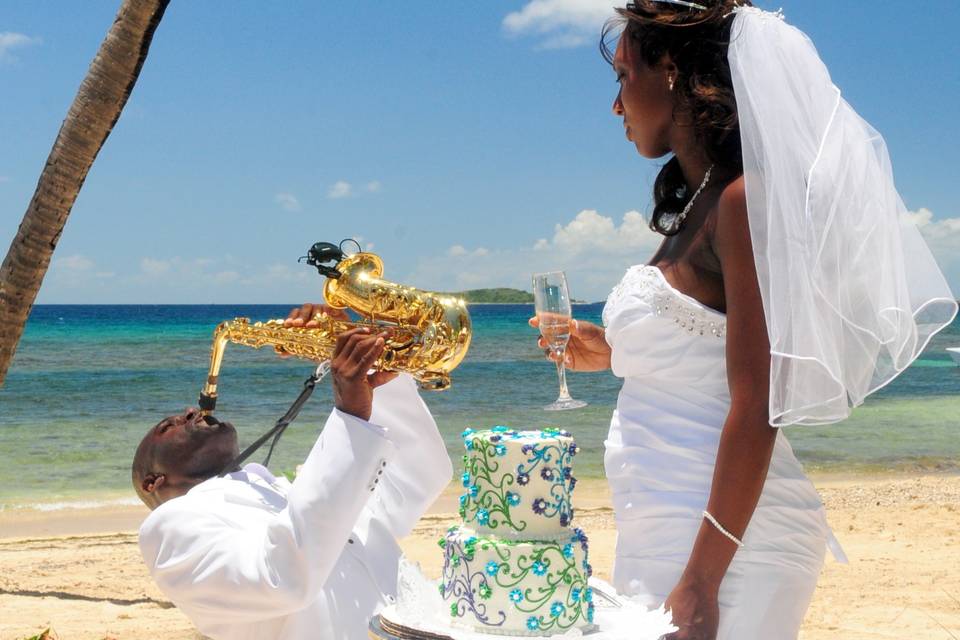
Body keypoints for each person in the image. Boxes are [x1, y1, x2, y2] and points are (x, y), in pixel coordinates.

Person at [531, 2, 957, 639]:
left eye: (622, 78)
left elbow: (758, 400)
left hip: (732, 543)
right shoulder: (698, 205)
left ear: (670, 70)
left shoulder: (743, 201)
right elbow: (705, 357)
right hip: (660, 522)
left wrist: (703, 578)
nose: (615, 106)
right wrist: (614, 351)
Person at [134, 306, 453, 640]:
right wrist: (350, 417)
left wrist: (367, 360)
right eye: (167, 426)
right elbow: (279, 578)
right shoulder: (167, 530)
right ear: (153, 481)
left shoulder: (289, 493)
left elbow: (423, 475)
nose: (189, 411)